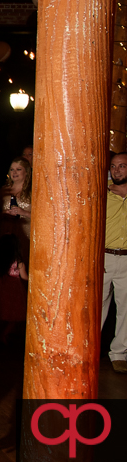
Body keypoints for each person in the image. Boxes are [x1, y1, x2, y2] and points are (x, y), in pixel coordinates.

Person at [102, 152, 127, 374]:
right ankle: (89, 349)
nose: (117, 170)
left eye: (122, 166)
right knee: (97, 306)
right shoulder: (103, 195)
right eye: (113, 166)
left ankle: (119, 353)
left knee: (125, 309)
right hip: (105, 256)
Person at [0, 234, 28, 345]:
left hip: (0, 293)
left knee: (1, 314)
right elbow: (25, 277)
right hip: (14, 294)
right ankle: (5, 333)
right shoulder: (19, 263)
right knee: (14, 315)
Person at [0, 157, 32, 261]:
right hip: (6, 233)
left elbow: (42, 216)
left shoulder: (33, 191)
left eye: (19, 169)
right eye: (12, 169)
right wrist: (4, 214)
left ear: (26, 172)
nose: (14, 172)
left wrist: (24, 212)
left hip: (25, 235)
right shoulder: (4, 191)